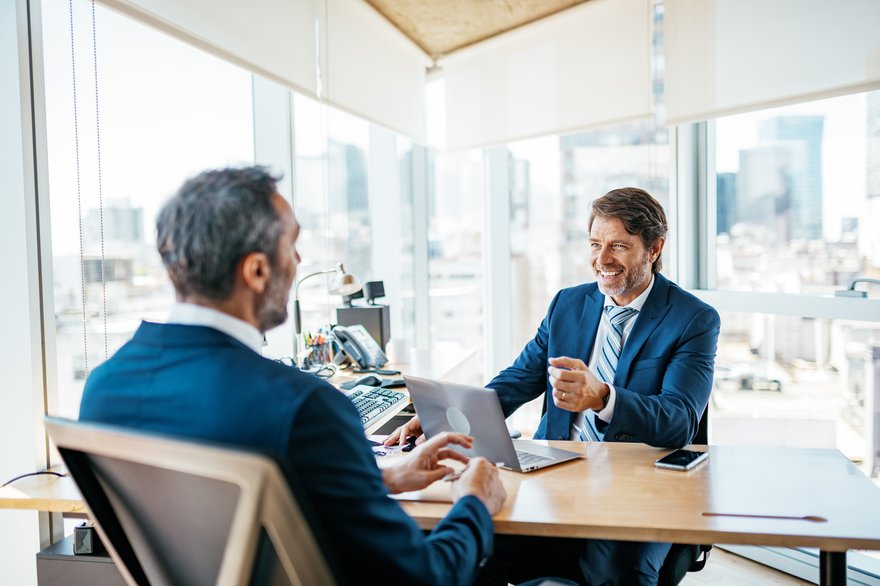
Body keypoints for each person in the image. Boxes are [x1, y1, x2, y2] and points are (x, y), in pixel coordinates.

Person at [78, 166, 507, 585]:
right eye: (292, 244)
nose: (299, 260)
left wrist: (377, 478)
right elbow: (422, 578)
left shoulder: (104, 389)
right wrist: (473, 504)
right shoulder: (304, 407)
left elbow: (211, 507)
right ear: (257, 271)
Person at [386, 187, 721, 585]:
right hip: (553, 471)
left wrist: (602, 397)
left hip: (637, 485)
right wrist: (443, 420)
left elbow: (679, 420)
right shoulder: (568, 304)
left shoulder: (692, 319)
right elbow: (518, 380)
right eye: (595, 244)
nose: (601, 260)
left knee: (616, 574)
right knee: (470, 547)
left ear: (654, 249)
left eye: (618, 246)